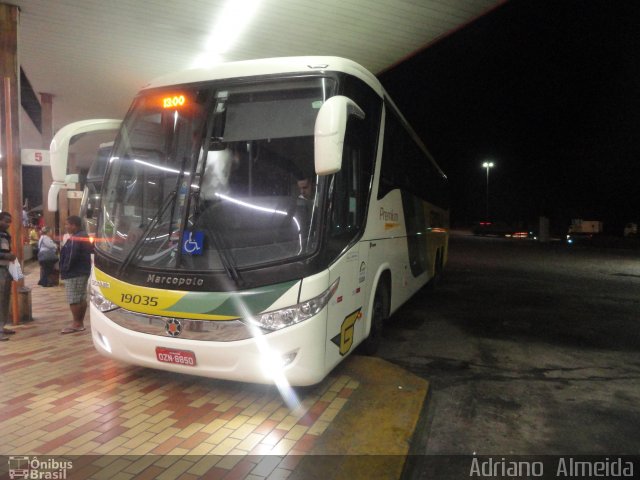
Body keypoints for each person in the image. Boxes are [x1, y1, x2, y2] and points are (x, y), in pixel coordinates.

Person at [59, 216, 93, 334]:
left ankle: (76, 323)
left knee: (74, 299)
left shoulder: (76, 238)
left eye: (67, 224)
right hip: (82, 271)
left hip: (74, 272)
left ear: (74, 225)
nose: (66, 227)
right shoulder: (84, 236)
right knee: (81, 297)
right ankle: (80, 323)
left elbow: (71, 257)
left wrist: (65, 270)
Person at [0, 211, 17, 341]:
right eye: (5, 221)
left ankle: (2, 326)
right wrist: (5, 255)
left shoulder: (6, 234)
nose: (8, 224)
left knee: (5, 298)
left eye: (9, 222)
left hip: (6, 268)